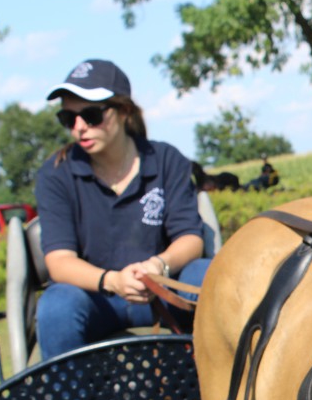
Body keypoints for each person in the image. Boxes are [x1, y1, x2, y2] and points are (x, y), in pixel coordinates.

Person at [35, 59, 209, 359]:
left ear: (124, 111)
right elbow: (60, 261)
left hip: (163, 290)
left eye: (90, 115)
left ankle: (223, 395)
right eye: (68, 118)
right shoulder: (55, 174)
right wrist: (112, 281)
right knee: (57, 305)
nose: (79, 128)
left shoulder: (167, 160)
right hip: (97, 300)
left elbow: (191, 238)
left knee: (205, 275)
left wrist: (159, 265)